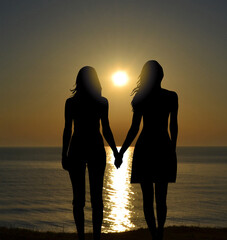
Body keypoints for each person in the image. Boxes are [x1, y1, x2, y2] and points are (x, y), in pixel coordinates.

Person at [115, 60, 178, 240]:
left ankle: (155, 235)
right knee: (160, 197)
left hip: (146, 147)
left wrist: (121, 152)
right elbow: (173, 127)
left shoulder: (142, 98)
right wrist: (172, 149)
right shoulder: (171, 96)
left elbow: (134, 129)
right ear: (161, 75)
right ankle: (159, 233)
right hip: (162, 146)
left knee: (149, 199)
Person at [62, 66, 118, 240]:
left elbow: (67, 130)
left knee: (78, 198)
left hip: (78, 147)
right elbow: (106, 129)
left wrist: (64, 154)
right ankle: (95, 237)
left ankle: (82, 237)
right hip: (94, 147)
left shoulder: (71, 102)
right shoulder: (101, 102)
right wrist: (116, 152)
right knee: (96, 199)